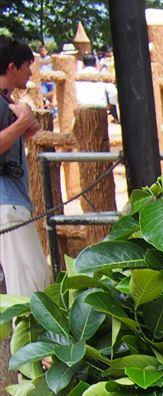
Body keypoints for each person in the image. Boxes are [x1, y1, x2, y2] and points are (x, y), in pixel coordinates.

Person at [0, 36, 49, 297]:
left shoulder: (5, 101)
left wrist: (22, 129)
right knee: (30, 285)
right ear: (12, 67)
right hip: (6, 203)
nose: (30, 72)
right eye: (27, 65)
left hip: (12, 201)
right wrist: (22, 122)